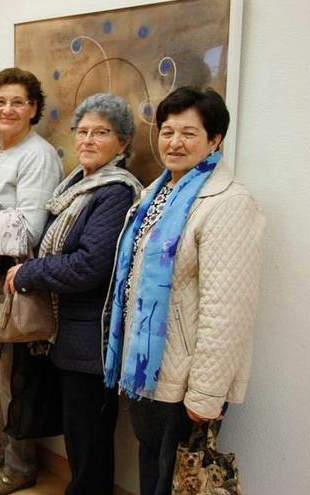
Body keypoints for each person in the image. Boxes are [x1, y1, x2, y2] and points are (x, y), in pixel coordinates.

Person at [102, 86, 264, 495]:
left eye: (189, 133)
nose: (174, 142)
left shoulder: (227, 203)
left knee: (175, 480)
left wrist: (206, 393)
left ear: (215, 140)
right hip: (146, 373)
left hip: (184, 378)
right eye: (167, 131)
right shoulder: (155, 193)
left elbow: (227, 310)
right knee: (153, 468)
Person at [6, 93, 142, 495]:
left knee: (89, 433)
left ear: (124, 141)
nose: (87, 140)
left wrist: (30, 271)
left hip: (92, 335)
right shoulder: (77, 184)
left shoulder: (115, 192)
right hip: (68, 328)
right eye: (82, 131)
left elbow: (89, 266)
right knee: (76, 427)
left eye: (100, 132)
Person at [0, 67, 63, 494]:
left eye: (18, 102)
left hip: (18, 278)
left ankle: (21, 463)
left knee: (16, 377)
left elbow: (28, 227)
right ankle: (9, 447)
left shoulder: (38, 155)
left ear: (34, 109)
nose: (7, 109)